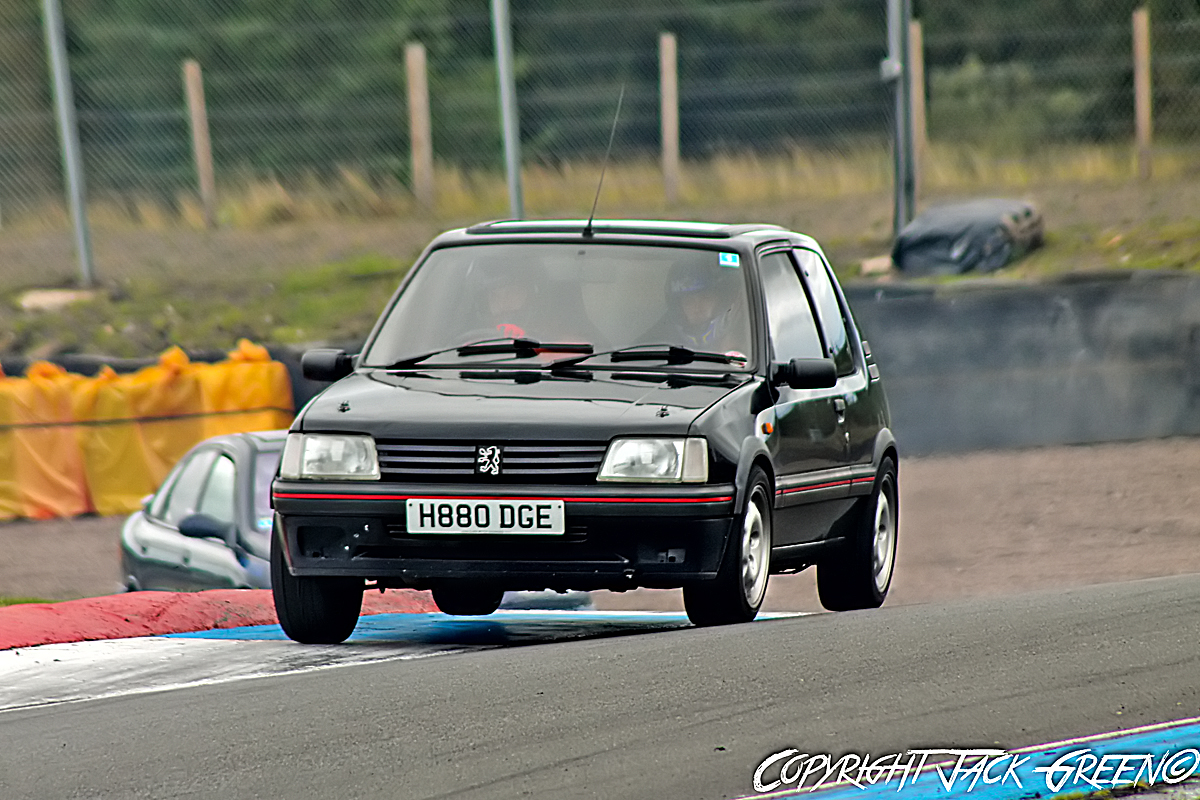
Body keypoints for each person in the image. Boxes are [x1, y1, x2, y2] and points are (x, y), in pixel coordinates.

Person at [642, 256, 749, 353]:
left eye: (705, 298)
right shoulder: (657, 343)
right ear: (678, 306)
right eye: (689, 301)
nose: (697, 307)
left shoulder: (748, 335)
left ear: (720, 300)